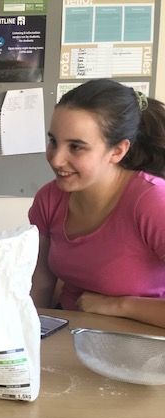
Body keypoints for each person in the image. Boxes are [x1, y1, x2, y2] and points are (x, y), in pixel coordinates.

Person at [29, 78, 165, 328]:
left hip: (145, 345)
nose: (56, 160)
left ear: (118, 151)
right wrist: (27, 333)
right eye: (53, 141)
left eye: (76, 147)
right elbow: (42, 279)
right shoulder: (48, 199)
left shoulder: (153, 202)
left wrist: (117, 305)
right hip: (74, 334)